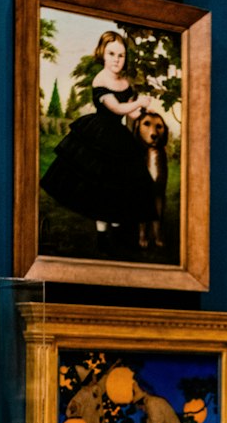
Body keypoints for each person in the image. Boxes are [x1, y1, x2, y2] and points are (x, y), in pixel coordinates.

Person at [39, 30, 150, 256]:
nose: (117, 59)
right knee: (101, 188)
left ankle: (118, 234)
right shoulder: (101, 79)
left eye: (121, 55)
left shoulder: (125, 81)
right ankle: (102, 238)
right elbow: (116, 108)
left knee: (120, 187)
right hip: (100, 135)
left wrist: (142, 109)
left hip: (119, 138)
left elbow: (130, 113)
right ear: (102, 53)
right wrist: (136, 103)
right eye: (111, 54)